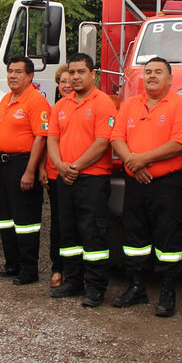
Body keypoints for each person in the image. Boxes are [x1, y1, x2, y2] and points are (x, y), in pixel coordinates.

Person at [110, 57, 182, 316]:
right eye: (148, 72)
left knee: (168, 238)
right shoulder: (130, 105)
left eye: (158, 72)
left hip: (167, 185)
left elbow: (181, 142)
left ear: (170, 79)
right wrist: (132, 163)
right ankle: (136, 287)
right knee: (134, 237)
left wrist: (141, 160)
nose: (152, 76)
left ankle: (168, 293)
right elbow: (116, 137)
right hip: (135, 182)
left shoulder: (181, 105)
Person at [47, 53, 117, 308]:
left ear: (93, 74)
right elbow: (51, 139)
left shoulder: (103, 103)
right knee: (69, 231)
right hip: (65, 178)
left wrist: (73, 167)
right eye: (72, 72)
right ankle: (73, 279)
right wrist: (59, 166)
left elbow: (102, 142)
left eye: (81, 72)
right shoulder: (61, 106)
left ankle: (96, 286)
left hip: (92, 179)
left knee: (93, 233)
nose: (76, 77)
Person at [0, 56, 50, 285]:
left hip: (23, 164)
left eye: (18, 72)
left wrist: (30, 171)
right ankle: (12, 263)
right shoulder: (6, 99)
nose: (13, 76)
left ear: (30, 76)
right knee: (6, 219)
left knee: (26, 220)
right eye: (10, 71)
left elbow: (40, 138)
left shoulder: (36, 101)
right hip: (5, 164)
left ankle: (29, 270)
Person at [39, 64, 73, 288]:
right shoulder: (54, 109)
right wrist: (42, 167)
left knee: (76, 224)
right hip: (54, 174)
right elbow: (45, 140)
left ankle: (76, 269)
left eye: (71, 81)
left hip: (75, 173)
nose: (67, 85)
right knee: (58, 223)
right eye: (63, 82)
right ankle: (57, 267)